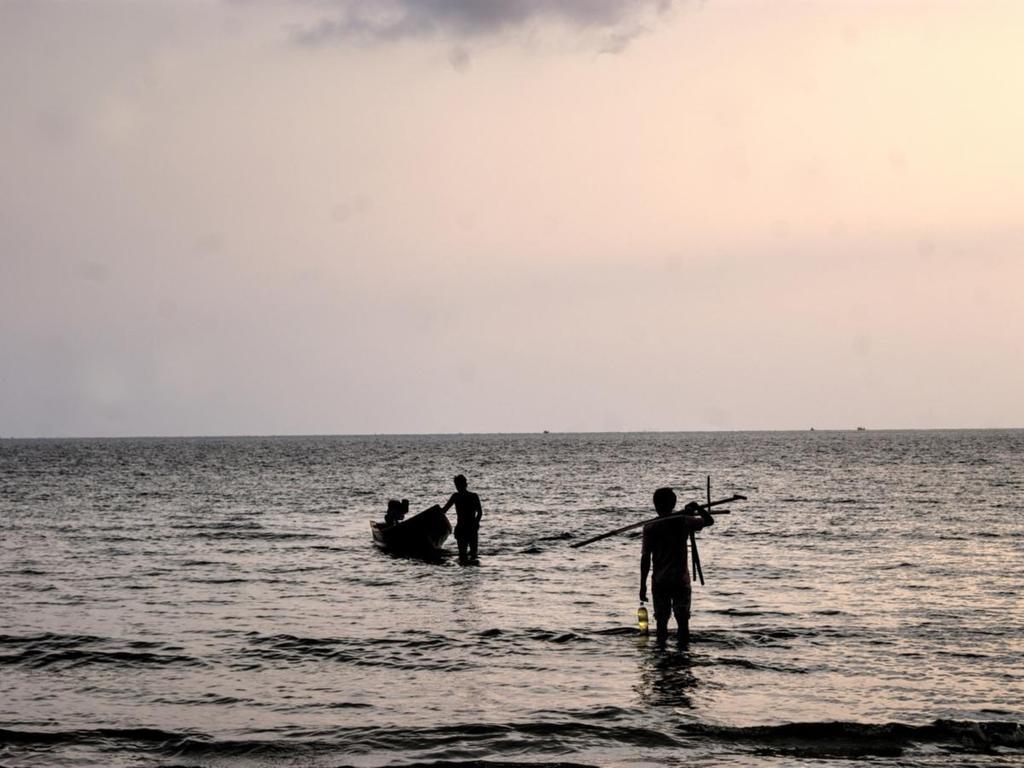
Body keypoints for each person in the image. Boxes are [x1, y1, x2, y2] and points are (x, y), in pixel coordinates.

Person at [639, 487, 714, 647]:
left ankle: (662, 656)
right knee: (683, 623)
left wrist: (642, 586)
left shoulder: (650, 527)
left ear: (655, 505)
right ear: (673, 504)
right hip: (680, 581)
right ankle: (682, 658)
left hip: (660, 582)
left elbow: (645, 558)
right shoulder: (684, 521)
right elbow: (709, 520)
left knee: (661, 623)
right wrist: (698, 508)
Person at [440, 474, 483, 564]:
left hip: (462, 528)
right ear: (465, 484)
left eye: (457, 485)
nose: (457, 487)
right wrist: (476, 523)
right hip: (471, 527)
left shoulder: (456, 496)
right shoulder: (473, 496)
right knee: (473, 554)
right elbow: (479, 513)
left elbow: (444, 510)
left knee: (463, 555)